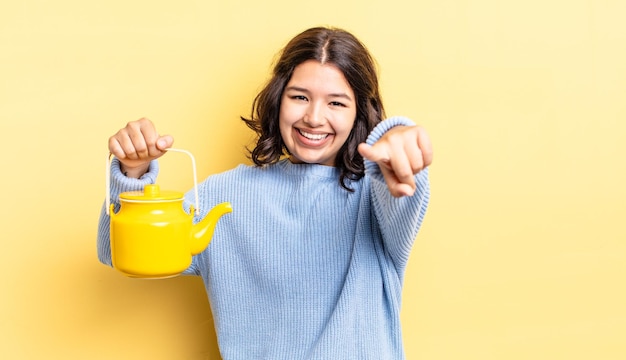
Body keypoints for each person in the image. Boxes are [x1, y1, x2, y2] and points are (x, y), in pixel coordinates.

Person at [98, 26, 433, 359]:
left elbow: (401, 191)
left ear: (360, 111)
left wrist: (397, 138)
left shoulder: (375, 197)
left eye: (336, 103)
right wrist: (132, 172)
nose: (314, 118)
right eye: (300, 97)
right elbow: (119, 253)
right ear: (278, 98)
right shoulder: (223, 195)